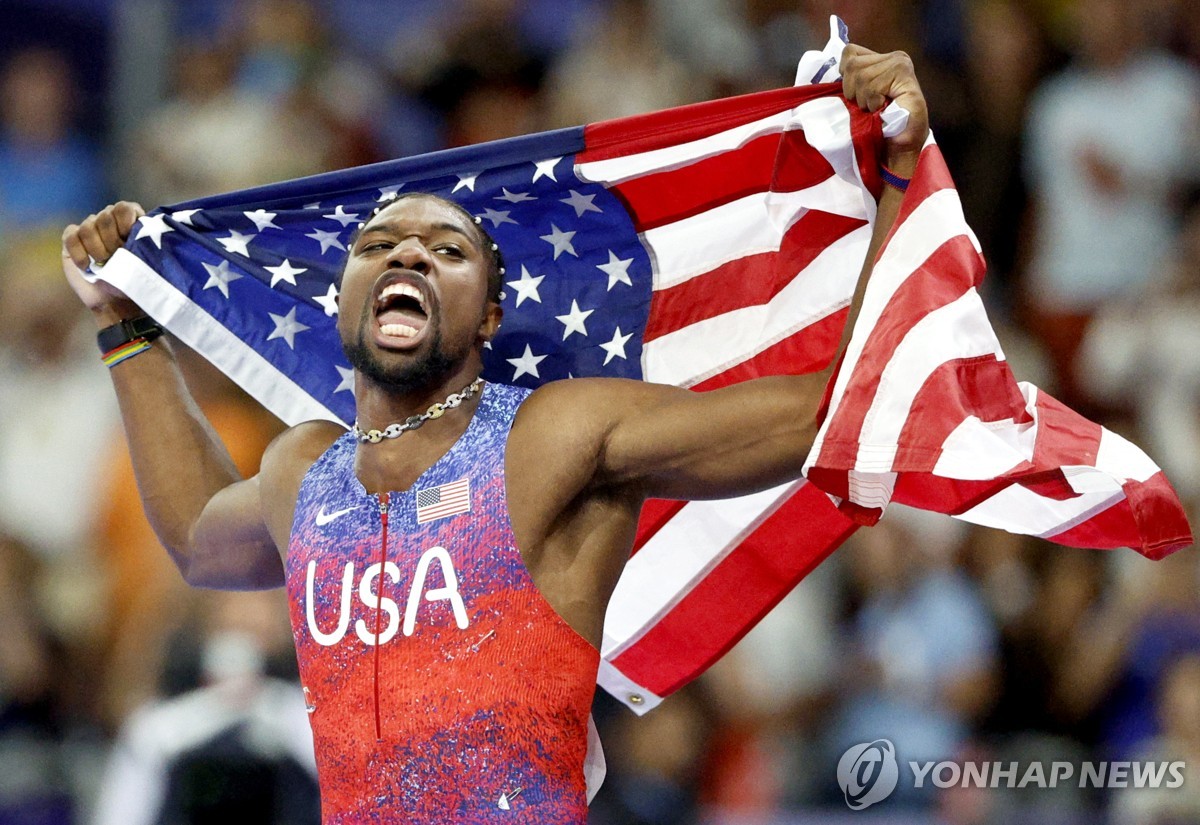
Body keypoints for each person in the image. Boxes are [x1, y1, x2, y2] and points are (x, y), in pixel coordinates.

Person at [61, 45, 928, 823]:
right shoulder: (305, 467)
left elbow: (833, 409)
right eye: (380, 244)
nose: (407, 255)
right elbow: (201, 540)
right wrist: (125, 326)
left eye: (446, 250)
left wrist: (897, 173)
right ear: (343, 298)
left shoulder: (551, 434)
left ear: (490, 318)